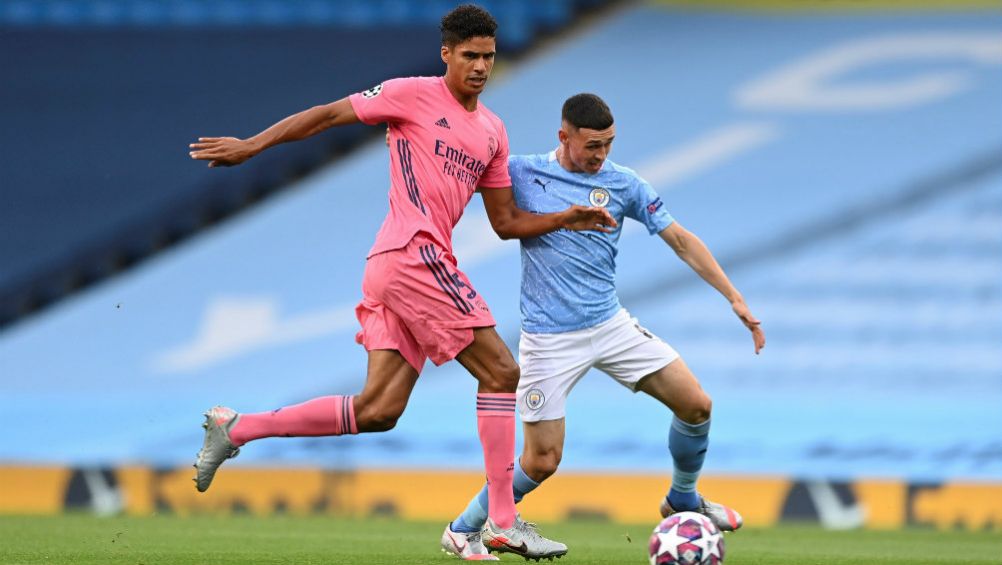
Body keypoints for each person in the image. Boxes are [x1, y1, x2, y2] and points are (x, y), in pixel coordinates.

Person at [187, 7, 615, 561]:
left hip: (400, 266)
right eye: (470, 56)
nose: (481, 66)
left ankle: (237, 428)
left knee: (379, 410)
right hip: (412, 254)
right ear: (447, 54)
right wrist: (254, 145)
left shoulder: (492, 131)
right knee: (502, 371)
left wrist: (567, 217)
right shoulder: (411, 94)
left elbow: (506, 223)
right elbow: (325, 115)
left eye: (488, 55)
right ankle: (503, 521)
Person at [443, 93, 766, 560]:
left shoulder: (623, 183)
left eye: (609, 144)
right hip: (549, 339)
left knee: (696, 405)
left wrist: (733, 297)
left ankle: (682, 497)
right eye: (592, 145)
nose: (601, 156)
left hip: (610, 324)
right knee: (541, 461)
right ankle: (462, 529)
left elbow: (679, 239)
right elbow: (455, 178)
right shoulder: (522, 172)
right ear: (563, 137)